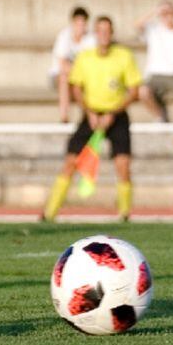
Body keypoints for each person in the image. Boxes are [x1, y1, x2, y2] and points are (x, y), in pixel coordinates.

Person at [43, 16, 140, 222]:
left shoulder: (124, 56)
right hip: (91, 114)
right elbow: (76, 88)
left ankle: (124, 214)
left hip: (116, 115)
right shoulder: (85, 57)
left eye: (107, 31)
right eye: (100, 31)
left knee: (122, 164)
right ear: (95, 34)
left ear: (112, 33)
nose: (104, 34)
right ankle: (49, 213)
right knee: (71, 161)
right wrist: (90, 113)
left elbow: (133, 90)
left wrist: (113, 113)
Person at [48, 6, 96, 123]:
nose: (80, 27)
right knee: (65, 78)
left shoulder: (91, 39)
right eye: (77, 23)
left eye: (82, 23)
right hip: (62, 76)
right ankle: (64, 116)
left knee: (81, 82)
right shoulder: (64, 36)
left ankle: (87, 116)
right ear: (73, 22)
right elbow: (62, 63)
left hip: (79, 77)